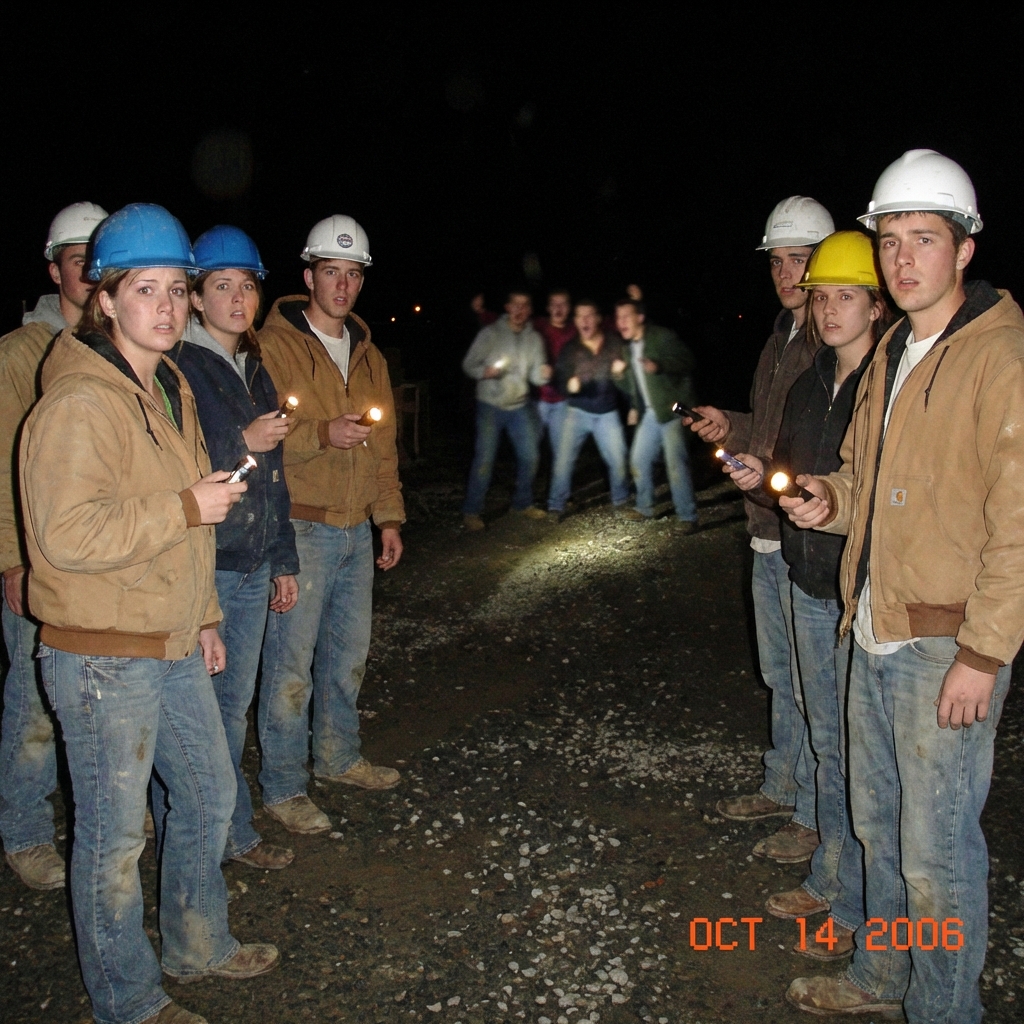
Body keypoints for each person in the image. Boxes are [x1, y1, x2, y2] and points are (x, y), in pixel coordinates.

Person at [20, 204, 278, 1024]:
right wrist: (181, 508)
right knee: (114, 840)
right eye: (145, 290)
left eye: (176, 289)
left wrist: (203, 613)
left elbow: (188, 526)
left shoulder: (165, 385)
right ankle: (127, 1000)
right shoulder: (78, 402)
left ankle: (199, 945)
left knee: (207, 797)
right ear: (105, 298)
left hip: (166, 636)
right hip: (101, 655)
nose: (166, 307)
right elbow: (64, 536)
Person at [781, 152, 1024, 1022]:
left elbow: (1020, 524)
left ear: (963, 249)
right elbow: (863, 475)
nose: (904, 259)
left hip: (944, 650)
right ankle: (881, 980)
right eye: (891, 241)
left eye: (924, 239)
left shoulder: (1002, 359)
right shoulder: (895, 351)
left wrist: (984, 652)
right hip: (871, 627)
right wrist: (829, 501)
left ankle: (943, 1010)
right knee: (874, 826)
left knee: (938, 858)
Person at [726, 231, 889, 964]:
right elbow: (792, 474)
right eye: (820, 297)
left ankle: (856, 903)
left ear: (874, 304)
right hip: (804, 576)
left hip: (858, 591)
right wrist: (762, 476)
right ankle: (831, 876)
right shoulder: (807, 381)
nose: (827, 309)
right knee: (827, 736)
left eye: (842, 296)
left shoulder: (885, 386)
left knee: (857, 752)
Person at [688, 196, 834, 864]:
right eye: (778, 261)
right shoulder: (780, 337)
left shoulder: (833, 342)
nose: (786, 274)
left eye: (799, 259)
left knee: (814, 684)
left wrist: (776, 480)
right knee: (780, 673)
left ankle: (815, 816)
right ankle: (784, 784)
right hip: (766, 528)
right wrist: (732, 426)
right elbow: (773, 428)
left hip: (807, 532)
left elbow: (826, 447)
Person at [256, 215, 404, 837]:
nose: (342, 286)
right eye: (331, 273)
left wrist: (389, 517)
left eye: (353, 274)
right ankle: (283, 786)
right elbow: (253, 446)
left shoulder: (370, 355)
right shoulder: (271, 347)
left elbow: (386, 447)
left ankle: (339, 756)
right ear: (308, 274)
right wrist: (322, 434)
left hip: (354, 529)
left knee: (347, 656)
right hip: (301, 528)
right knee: (290, 665)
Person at [171, 225, 299, 872]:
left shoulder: (255, 367)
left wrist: (284, 559)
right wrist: (240, 442)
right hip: (209, 567)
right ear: (195, 297)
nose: (236, 297)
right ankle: (220, 835)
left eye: (246, 285)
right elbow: (180, 468)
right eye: (221, 285)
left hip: (251, 562)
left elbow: (274, 479)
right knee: (208, 717)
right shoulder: (181, 369)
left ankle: (228, 830)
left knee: (233, 707)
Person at [0, 201, 107, 891]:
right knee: (33, 696)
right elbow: (3, 463)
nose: (90, 280)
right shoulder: (20, 352)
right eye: (78, 265)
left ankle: (103, 812)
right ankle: (25, 831)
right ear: (54, 269)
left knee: (97, 692)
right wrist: (11, 558)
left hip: (101, 556)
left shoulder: (116, 344)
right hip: (38, 555)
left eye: (99, 268)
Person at [461, 289, 552, 529]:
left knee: (530, 456)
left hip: (519, 405)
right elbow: (469, 365)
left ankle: (522, 503)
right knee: (485, 459)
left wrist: (543, 375)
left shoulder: (534, 339)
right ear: (507, 308)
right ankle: (472, 511)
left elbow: (535, 376)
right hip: (490, 405)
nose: (520, 310)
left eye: (525, 306)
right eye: (515, 305)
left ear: (530, 310)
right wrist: (484, 372)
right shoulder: (490, 333)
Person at [612, 298, 698, 529]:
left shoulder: (661, 336)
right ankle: (644, 507)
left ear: (640, 318)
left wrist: (659, 365)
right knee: (638, 459)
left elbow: (688, 360)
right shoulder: (627, 349)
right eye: (618, 318)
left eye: (626, 316)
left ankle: (687, 516)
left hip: (671, 411)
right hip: (650, 414)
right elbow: (632, 387)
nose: (621, 323)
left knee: (675, 464)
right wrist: (619, 378)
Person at [546, 300, 629, 516]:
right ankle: (556, 505)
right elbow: (560, 380)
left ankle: (621, 501)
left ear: (599, 318)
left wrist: (621, 375)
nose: (585, 320)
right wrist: (568, 386)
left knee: (618, 458)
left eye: (589, 315)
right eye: (580, 316)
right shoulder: (570, 349)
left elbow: (629, 380)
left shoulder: (614, 343)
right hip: (577, 412)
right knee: (563, 461)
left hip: (607, 412)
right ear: (575, 321)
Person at [533, 289, 577, 462]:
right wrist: (481, 312)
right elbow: (508, 322)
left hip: (562, 401)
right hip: (537, 398)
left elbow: (604, 323)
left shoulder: (575, 329)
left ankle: (560, 487)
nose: (558, 308)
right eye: (554, 304)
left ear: (569, 307)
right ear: (548, 307)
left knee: (561, 451)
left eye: (563, 304)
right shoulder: (538, 325)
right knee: (528, 448)